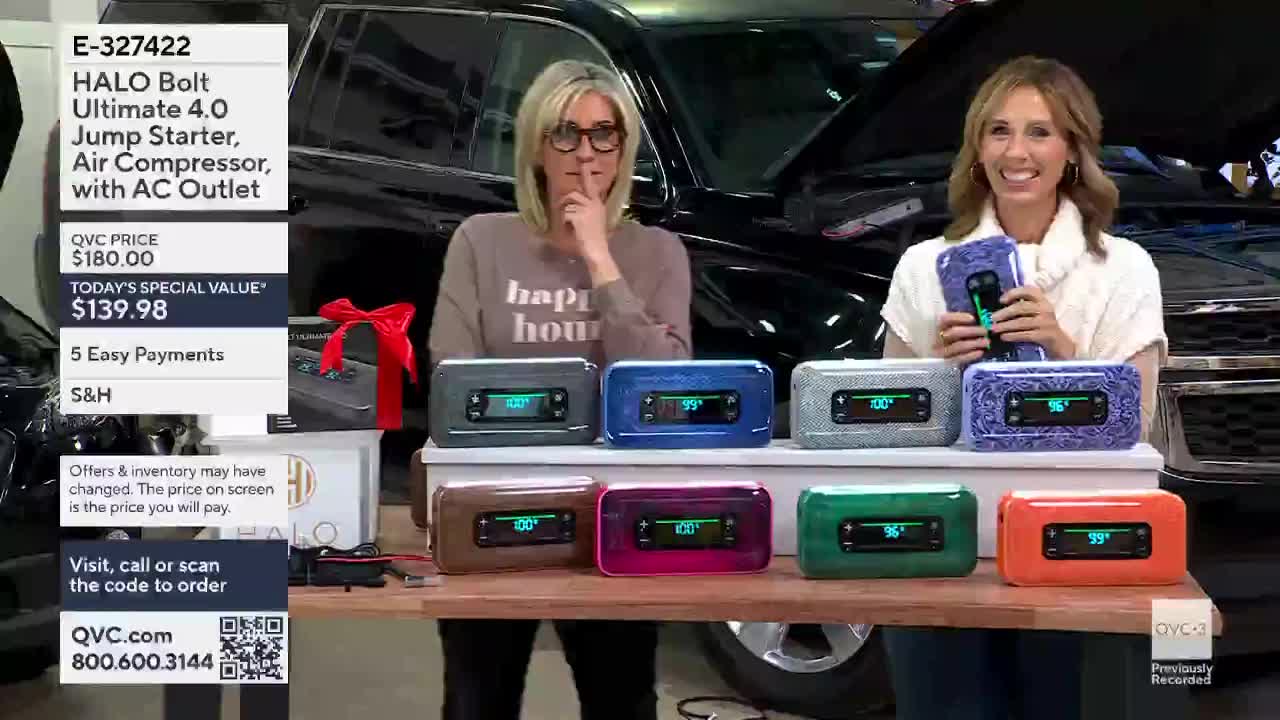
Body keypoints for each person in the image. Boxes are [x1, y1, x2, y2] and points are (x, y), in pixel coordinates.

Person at [876, 56, 1167, 719]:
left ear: (1073, 150)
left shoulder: (1124, 269)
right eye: (999, 131)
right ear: (977, 149)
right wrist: (942, 373)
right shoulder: (922, 267)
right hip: (949, 541)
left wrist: (1062, 350)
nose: (1017, 153)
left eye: (1040, 132)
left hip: (1080, 540)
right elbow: (884, 430)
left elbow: (1140, 426)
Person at [426, 59, 692, 720]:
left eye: (604, 134)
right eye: (566, 134)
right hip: (497, 505)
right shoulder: (481, 242)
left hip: (612, 510)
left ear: (623, 148)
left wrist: (601, 259)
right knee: (477, 702)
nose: (586, 153)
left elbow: (665, 390)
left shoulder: (657, 252)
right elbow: (452, 380)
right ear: (537, 148)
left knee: (622, 702)